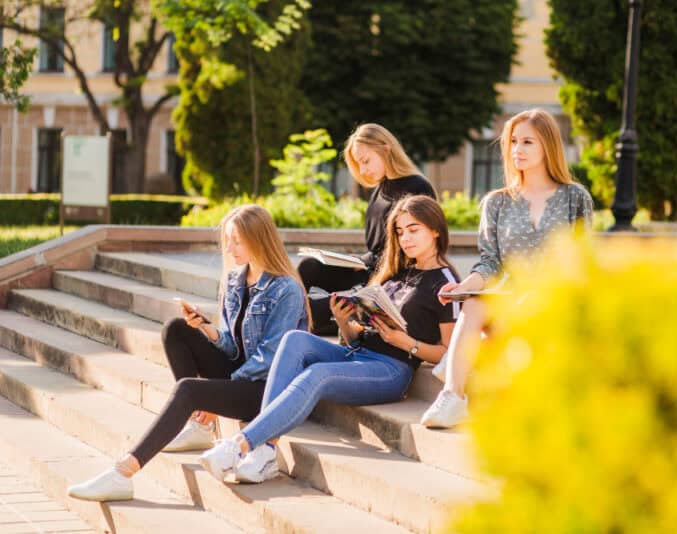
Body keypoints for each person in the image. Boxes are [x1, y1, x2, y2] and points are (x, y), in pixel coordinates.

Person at [197, 195, 459, 481]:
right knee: (295, 339)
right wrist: (345, 322)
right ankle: (264, 452)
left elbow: (449, 352)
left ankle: (244, 446)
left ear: (435, 229)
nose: (405, 238)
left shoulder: (445, 282)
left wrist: (404, 342)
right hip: (360, 354)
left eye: (414, 229)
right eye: (400, 231)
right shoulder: (395, 273)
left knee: (317, 374)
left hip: (391, 370)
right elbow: (356, 338)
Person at [67, 204, 310, 501]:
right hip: (241, 376)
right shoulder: (236, 280)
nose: (230, 248)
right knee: (176, 329)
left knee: (189, 390)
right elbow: (235, 348)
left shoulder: (286, 289)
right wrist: (208, 329)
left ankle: (123, 472)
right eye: (227, 240)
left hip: (266, 392)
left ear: (259, 239)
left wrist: (218, 388)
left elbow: (269, 360)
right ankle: (200, 424)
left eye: (237, 241)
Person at [421, 108, 594, 429]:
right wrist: (463, 286)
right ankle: (452, 397)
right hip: (508, 304)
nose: (517, 149)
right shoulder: (497, 202)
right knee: (472, 302)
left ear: (548, 146)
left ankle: (460, 356)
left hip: (555, 302)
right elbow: (489, 262)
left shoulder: (575, 198)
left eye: (527, 141)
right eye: (513, 141)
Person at [298, 123, 436, 335]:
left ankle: (331, 322)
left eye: (366, 161)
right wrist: (358, 260)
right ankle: (325, 321)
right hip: (368, 270)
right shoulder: (380, 188)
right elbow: (377, 248)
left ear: (385, 149)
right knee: (309, 267)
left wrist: (370, 268)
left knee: (316, 307)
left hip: (391, 279)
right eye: (358, 164)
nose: (363, 171)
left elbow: (414, 252)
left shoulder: (416, 188)